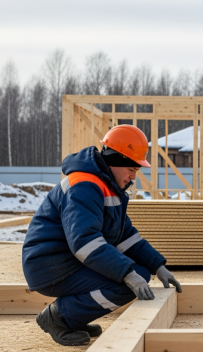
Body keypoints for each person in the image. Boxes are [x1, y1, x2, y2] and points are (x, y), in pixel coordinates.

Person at [22, 124, 182, 346]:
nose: (133, 177)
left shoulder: (106, 186)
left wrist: (157, 265)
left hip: (65, 261)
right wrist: (126, 273)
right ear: (117, 161)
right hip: (50, 266)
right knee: (126, 282)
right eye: (133, 170)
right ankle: (60, 317)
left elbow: (126, 236)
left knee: (141, 273)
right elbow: (84, 242)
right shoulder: (85, 185)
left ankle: (73, 317)